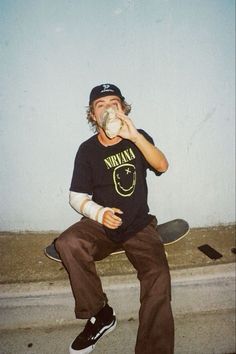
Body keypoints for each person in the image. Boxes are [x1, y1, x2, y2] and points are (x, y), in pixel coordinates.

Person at [55, 83, 174, 354]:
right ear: (92, 116)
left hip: (138, 224)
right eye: (101, 105)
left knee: (158, 274)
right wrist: (100, 213)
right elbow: (76, 196)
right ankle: (100, 314)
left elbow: (162, 166)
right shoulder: (87, 150)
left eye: (114, 103)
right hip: (101, 224)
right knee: (68, 243)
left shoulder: (138, 137)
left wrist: (135, 137)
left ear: (123, 109)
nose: (108, 108)